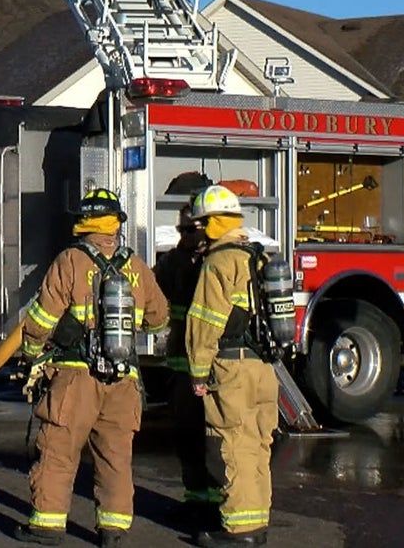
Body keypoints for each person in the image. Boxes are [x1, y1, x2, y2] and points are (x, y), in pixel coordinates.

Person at [15, 188, 169, 548]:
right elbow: (159, 317)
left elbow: (41, 319)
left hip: (76, 377)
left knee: (58, 450)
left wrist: (32, 354)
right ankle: (113, 531)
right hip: (124, 379)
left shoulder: (70, 260)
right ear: (117, 223)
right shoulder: (135, 266)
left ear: (83, 222)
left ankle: (47, 527)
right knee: (115, 457)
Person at [185, 185, 279, 547]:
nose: (196, 232)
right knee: (258, 445)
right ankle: (256, 525)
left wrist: (197, 371)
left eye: (199, 225)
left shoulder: (219, 262)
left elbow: (205, 321)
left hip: (231, 368)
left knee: (232, 445)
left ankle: (240, 533)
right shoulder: (259, 258)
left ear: (212, 224)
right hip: (263, 368)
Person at [154, 203, 222, 527]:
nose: (185, 236)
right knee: (188, 437)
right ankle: (196, 501)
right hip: (183, 366)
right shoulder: (173, 262)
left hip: (215, 367)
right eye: (182, 230)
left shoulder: (219, 260)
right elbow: (156, 290)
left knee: (217, 440)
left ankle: (221, 506)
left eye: (191, 230)